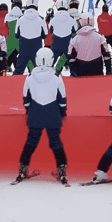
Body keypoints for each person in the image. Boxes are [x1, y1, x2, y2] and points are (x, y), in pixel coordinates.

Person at [16, 48, 68, 184]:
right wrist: (62, 112)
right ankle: (62, 170)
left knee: (31, 142)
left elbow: (26, 99)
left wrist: (29, 110)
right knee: (55, 142)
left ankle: (22, 169)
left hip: (35, 113)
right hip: (53, 113)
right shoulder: (57, 77)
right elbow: (62, 99)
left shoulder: (30, 77)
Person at [14, 2, 48, 73]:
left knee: (18, 70)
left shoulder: (20, 19)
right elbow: (45, 35)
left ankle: (15, 83)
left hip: (23, 47)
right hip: (36, 47)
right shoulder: (41, 19)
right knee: (39, 71)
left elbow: (16, 35)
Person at [48, 2, 78, 70]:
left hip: (56, 42)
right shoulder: (71, 19)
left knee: (52, 60)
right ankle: (72, 72)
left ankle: (48, 72)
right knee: (70, 58)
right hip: (67, 42)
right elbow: (74, 30)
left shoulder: (53, 19)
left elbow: (51, 30)